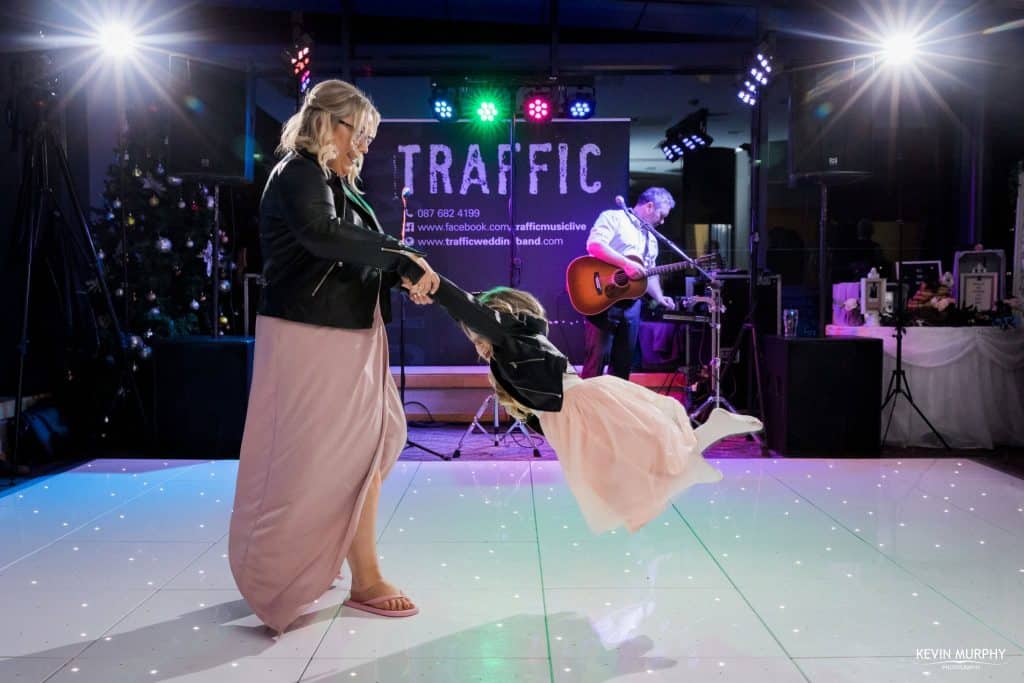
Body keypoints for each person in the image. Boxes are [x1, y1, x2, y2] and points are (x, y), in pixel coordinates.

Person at [228, 79, 441, 634]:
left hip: (345, 331)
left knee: (379, 441)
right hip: (312, 334)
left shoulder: (333, 180)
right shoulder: (299, 172)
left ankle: (330, 558)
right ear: (329, 122)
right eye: (360, 133)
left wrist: (401, 268)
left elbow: (348, 252)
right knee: (316, 461)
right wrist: (402, 255)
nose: (365, 146)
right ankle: (350, 576)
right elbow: (323, 237)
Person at [406, 277, 763, 533]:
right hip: (569, 413)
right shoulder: (514, 345)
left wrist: (435, 286)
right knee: (630, 467)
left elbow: (469, 309)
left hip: (577, 406)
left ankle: (702, 441)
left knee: (634, 466)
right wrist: (431, 291)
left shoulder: (513, 338)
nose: (475, 336)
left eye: (477, 329)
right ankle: (704, 437)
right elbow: (467, 312)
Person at [581, 187, 677, 380]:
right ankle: (586, 409)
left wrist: (659, 297)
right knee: (597, 363)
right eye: (662, 215)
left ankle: (615, 409)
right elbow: (595, 244)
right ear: (650, 206)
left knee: (623, 366)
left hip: (631, 305)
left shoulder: (651, 239)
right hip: (603, 299)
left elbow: (649, 273)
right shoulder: (614, 218)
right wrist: (625, 263)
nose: (663, 221)